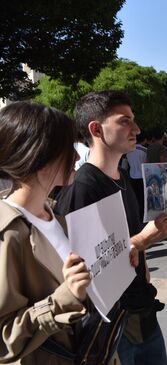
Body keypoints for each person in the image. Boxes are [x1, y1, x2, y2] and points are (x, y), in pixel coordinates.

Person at [55, 91, 167, 365]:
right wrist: (140, 241)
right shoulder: (83, 187)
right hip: (111, 323)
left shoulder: (122, 178)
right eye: (125, 121)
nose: (136, 129)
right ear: (96, 129)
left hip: (142, 309)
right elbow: (81, 269)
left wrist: (142, 251)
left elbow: (123, 240)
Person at [0, 102, 101, 364]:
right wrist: (64, 298)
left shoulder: (56, 216)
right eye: (69, 148)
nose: (77, 157)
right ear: (39, 156)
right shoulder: (8, 235)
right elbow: (3, 341)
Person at [125, 131, 148, 215]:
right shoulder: (145, 150)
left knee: (135, 197)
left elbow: (126, 164)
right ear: (144, 139)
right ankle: (143, 214)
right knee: (143, 198)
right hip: (142, 177)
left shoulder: (128, 151)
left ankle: (136, 213)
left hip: (132, 176)